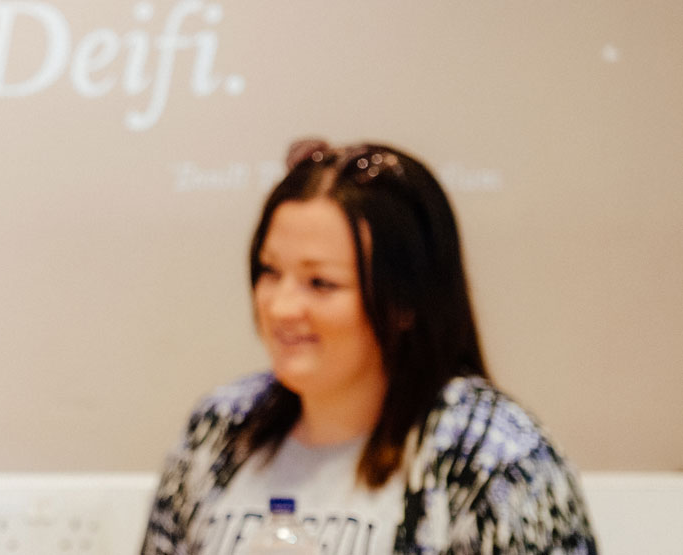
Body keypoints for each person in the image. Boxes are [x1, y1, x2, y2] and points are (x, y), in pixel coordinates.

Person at [140, 140, 597, 554]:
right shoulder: (221, 426)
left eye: (320, 283)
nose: (280, 307)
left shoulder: (491, 452)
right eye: (269, 272)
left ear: (404, 302)